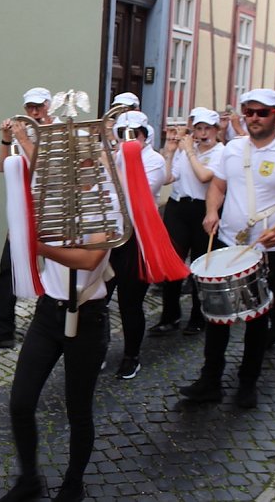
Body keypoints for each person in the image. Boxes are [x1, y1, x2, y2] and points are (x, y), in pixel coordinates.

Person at [180, 88, 275, 408]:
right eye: (248, 112)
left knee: (256, 318)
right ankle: (210, 379)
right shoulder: (232, 149)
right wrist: (212, 211)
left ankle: (247, 383)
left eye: (262, 112)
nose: (254, 118)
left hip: (268, 250)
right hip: (227, 243)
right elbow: (218, 186)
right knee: (216, 315)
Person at [0, 228, 111, 502]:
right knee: (21, 402)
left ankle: (73, 484)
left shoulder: (107, 201)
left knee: (78, 410)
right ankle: (29, 480)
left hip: (88, 317)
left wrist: (36, 246)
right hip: (48, 313)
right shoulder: (51, 197)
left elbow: (89, 260)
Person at [0, 87, 54, 352]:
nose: (34, 112)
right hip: (23, 209)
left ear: (49, 106)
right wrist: (5, 139)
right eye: (29, 108)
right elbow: (2, 166)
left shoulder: (55, 134)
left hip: (52, 211)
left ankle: (50, 324)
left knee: (56, 269)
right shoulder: (23, 134)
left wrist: (23, 140)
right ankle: (4, 328)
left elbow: (46, 170)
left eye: (39, 107)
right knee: (7, 268)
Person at [150, 108, 224, 336]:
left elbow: (204, 176)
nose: (202, 133)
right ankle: (170, 316)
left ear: (215, 130)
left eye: (207, 129)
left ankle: (198, 316)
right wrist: (171, 152)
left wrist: (190, 151)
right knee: (172, 263)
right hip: (177, 207)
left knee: (201, 265)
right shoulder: (185, 150)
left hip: (202, 208)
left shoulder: (221, 152)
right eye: (198, 128)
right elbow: (168, 178)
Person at [107, 111, 166, 379]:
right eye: (122, 134)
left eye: (135, 134)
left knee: (129, 303)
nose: (128, 139)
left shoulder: (154, 160)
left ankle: (132, 355)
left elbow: (131, 193)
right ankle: (98, 348)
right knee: (98, 299)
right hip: (111, 237)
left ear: (145, 136)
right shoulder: (114, 156)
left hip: (137, 239)